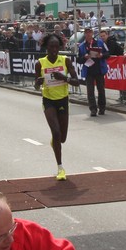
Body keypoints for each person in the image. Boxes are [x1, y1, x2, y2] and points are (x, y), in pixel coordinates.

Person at [36, 34, 81, 181]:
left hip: (62, 100)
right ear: (46, 47)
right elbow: (36, 85)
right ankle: (60, 168)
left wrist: (64, 78)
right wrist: (38, 82)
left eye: (57, 46)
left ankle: (55, 142)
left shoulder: (65, 60)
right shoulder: (40, 63)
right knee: (56, 132)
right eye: (51, 47)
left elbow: (77, 82)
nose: (54, 49)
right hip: (48, 100)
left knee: (62, 138)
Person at [77, 26, 110, 117]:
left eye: (90, 32)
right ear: (85, 34)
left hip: (99, 69)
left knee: (101, 90)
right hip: (88, 71)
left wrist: (102, 55)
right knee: (90, 91)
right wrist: (84, 57)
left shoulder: (100, 42)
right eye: (87, 32)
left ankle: (102, 108)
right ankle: (93, 109)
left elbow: (108, 53)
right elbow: (78, 59)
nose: (88, 34)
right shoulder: (82, 46)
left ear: (92, 33)